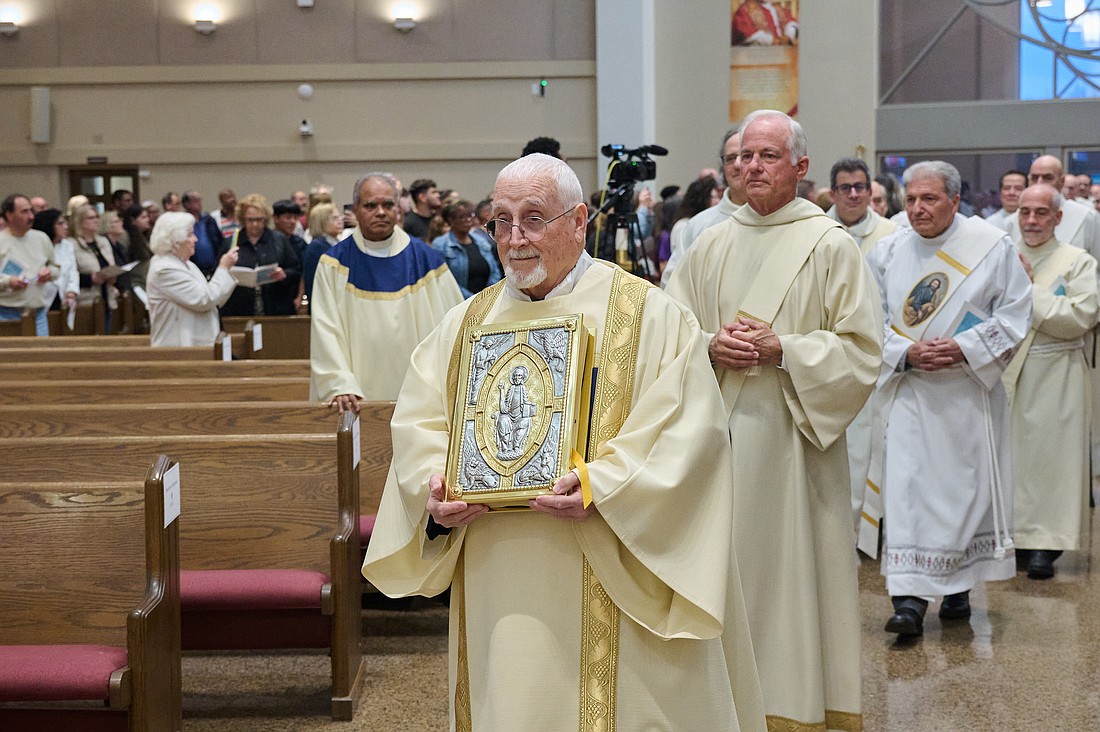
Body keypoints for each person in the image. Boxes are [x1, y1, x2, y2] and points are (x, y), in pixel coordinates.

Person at [362, 153, 765, 731]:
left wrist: (603, 484)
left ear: (578, 221)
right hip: (499, 568)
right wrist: (436, 491)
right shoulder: (464, 325)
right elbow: (421, 425)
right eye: (501, 220)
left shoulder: (648, 315)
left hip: (613, 561)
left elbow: (689, 432)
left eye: (534, 218)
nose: (515, 239)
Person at [666, 109, 881, 731]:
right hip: (718, 444)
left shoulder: (830, 245)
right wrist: (708, 346)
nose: (751, 167)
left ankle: (794, 707)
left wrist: (784, 349)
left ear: (801, 168)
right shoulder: (709, 242)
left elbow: (864, 351)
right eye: (743, 157)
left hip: (793, 447)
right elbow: (669, 334)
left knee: (791, 581)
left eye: (767, 156)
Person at [865, 161, 1031, 638]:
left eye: (929, 199)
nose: (917, 209)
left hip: (966, 395)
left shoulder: (991, 247)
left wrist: (965, 347)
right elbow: (867, 319)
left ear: (955, 201)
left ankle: (957, 588)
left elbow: (1017, 312)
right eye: (911, 200)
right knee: (908, 491)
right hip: (912, 393)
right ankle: (908, 599)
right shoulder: (887, 252)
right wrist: (906, 352)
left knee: (962, 494)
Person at [1005, 184, 1098, 580]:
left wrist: (1029, 291)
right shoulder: (1004, 256)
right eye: (1025, 212)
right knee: (1015, 462)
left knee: (1052, 462)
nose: (1031, 221)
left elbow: (1079, 316)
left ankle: (1048, 543)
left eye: (1041, 213)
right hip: (1009, 369)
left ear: (1058, 218)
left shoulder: (1078, 261)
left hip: (1056, 371)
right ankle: (1018, 539)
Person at [310, 174, 463, 412]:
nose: (380, 212)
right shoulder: (333, 264)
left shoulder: (426, 260)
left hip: (420, 397)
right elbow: (325, 329)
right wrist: (339, 383)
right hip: (355, 398)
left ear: (398, 210)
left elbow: (453, 325)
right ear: (356, 211)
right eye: (371, 205)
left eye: (388, 205)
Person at [661, 127, 747, 286]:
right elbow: (672, 284)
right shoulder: (698, 225)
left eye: (745, 156)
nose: (737, 164)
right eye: (730, 158)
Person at [146, 211, 239, 347]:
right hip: (178, 347)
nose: (195, 239)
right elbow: (204, 300)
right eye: (190, 235)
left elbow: (214, 300)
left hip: (198, 342)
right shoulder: (164, 269)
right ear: (175, 241)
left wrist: (226, 270)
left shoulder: (188, 265)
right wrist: (223, 268)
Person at [217, 194, 300, 317]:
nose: (255, 224)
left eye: (259, 219)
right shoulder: (231, 242)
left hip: (275, 306)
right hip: (240, 307)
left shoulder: (279, 239)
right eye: (250, 220)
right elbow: (218, 271)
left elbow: (296, 270)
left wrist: (284, 274)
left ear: (265, 219)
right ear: (243, 219)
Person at [0, 194, 59, 336]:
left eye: (31, 211)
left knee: (41, 355)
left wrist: (49, 272)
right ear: (9, 215)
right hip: (6, 312)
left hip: (37, 313)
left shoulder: (41, 238)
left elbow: (55, 268)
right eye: (24, 212)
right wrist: (8, 281)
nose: (31, 216)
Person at [432, 200, 502, 298]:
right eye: (462, 217)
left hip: (488, 298)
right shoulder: (441, 245)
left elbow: (495, 270)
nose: (468, 220)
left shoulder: (481, 241)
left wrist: (487, 295)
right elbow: (445, 280)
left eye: (471, 216)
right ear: (451, 220)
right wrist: (473, 299)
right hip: (459, 300)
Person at [68, 204, 119, 333]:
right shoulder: (71, 244)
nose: (96, 220)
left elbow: (109, 264)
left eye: (97, 217)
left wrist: (112, 275)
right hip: (86, 300)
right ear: (79, 221)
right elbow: (68, 275)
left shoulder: (102, 242)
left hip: (106, 297)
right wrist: (90, 279)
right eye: (90, 218)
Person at [32, 208, 77, 310]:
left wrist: (71, 290)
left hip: (63, 297)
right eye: (60, 223)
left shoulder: (67, 245)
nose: (66, 227)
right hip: (42, 297)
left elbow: (73, 271)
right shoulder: (37, 246)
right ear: (49, 225)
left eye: (65, 223)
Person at [301, 202, 343, 304]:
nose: (340, 221)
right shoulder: (317, 247)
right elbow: (313, 282)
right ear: (322, 222)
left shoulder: (335, 243)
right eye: (334, 218)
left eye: (339, 217)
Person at [182, 191, 223, 277]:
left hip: (213, 267)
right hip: (192, 268)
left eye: (200, 200)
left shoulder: (208, 219)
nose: (200, 203)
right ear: (187, 204)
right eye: (196, 201)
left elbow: (219, 241)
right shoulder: (182, 222)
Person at [732, 0, 798, 45]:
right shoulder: (744, 10)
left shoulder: (777, 7)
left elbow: (791, 22)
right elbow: (747, 33)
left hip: (781, 53)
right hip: (755, 57)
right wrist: (773, 41)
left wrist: (788, 36)